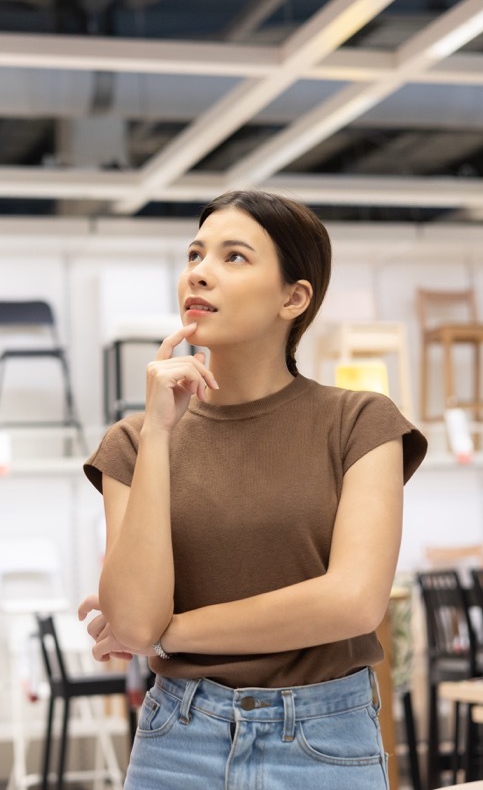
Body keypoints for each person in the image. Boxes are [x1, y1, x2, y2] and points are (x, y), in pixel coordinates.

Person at [80, 189, 427, 789]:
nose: (200, 272)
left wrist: (172, 630)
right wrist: (161, 432)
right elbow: (132, 623)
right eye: (195, 254)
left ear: (293, 297)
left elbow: (352, 603)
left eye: (233, 257)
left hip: (324, 744)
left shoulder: (360, 422)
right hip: (176, 744)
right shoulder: (134, 442)